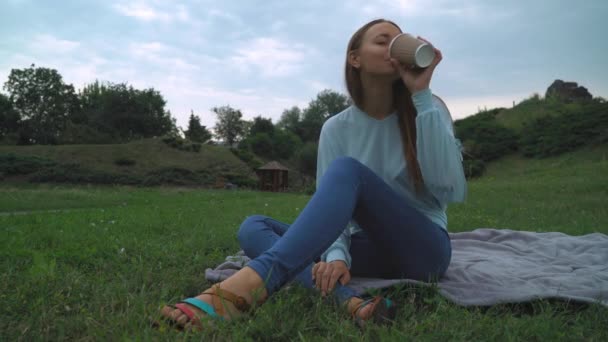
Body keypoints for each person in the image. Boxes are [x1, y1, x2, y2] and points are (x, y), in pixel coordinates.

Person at [160, 18, 466, 330]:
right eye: (382, 40)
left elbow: (450, 191)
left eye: (399, 41)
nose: (393, 47)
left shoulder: (428, 108)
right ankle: (350, 302)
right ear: (354, 58)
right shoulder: (336, 127)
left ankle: (246, 288)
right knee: (254, 226)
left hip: (422, 250)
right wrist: (336, 256)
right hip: (367, 249)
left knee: (349, 171)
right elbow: (336, 211)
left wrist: (421, 94)